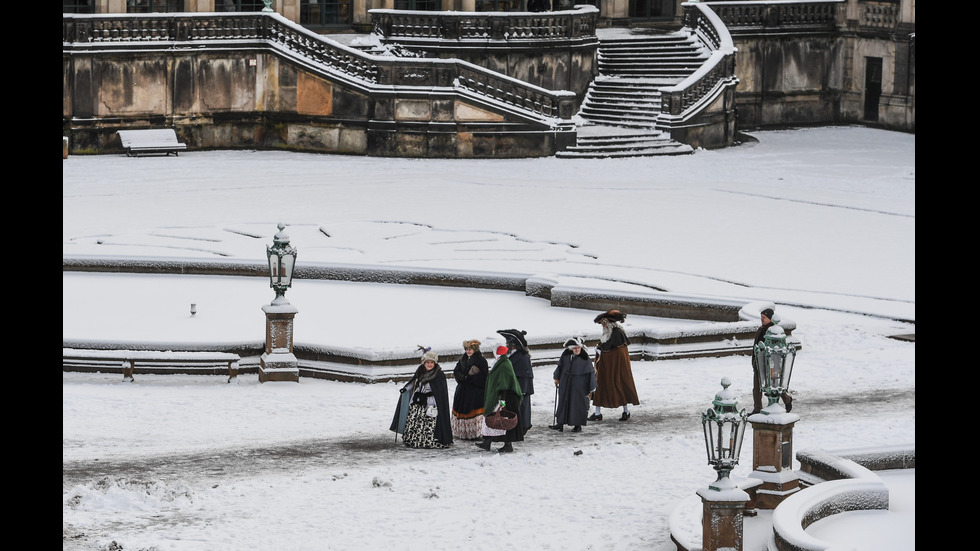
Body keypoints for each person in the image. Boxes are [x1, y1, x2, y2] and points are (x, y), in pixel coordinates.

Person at [390, 347, 453, 449]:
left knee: (428, 424)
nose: (429, 364)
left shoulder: (439, 375)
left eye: (431, 362)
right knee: (414, 421)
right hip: (418, 401)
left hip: (430, 403)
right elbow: (414, 382)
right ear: (424, 363)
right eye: (427, 362)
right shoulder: (420, 371)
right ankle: (413, 439)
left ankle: (427, 441)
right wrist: (405, 389)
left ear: (435, 363)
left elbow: (440, 393)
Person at [590, 309, 640, 421]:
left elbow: (615, 352)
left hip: (615, 369)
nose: (603, 325)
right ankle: (598, 413)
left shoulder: (617, 333)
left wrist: (601, 350)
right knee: (601, 385)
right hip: (606, 367)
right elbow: (608, 345)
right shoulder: (610, 332)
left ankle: (625, 411)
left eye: (604, 322)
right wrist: (600, 348)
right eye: (602, 323)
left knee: (620, 385)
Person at [475, 345, 524, 453]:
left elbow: (504, 384)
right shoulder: (500, 363)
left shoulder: (504, 365)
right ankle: (487, 442)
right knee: (493, 419)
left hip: (505, 397)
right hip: (500, 396)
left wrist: (502, 401)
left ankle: (507, 445)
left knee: (503, 420)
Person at [549, 336, 597, 432]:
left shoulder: (584, 357)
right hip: (565, 382)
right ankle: (560, 423)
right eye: (575, 348)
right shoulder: (566, 354)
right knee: (563, 403)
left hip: (579, 386)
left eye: (578, 348)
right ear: (571, 348)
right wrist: (556, 377)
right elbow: (560, 366)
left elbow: (590, 372)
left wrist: (592, 388)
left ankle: (577, 425)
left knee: (577, 405)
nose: (577, 350)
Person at [752, 307, 793, 414]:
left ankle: (786, 400)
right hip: (758, 363)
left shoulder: (773, 332)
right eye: (761, 317)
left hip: (770, 364)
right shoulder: (761, 329)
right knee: (757, 388)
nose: (762, 319)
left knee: (774, 386)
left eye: (764, 317)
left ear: (770, 318)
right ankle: (757, 409)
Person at [451, 339, 489, 440]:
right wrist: (462, 377)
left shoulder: (481, 360)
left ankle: (476, 433)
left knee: (474, 411)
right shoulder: (462, 359)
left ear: (475, 349)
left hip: (475, 392)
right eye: (467, 349)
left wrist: (470, 379)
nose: (468, 351)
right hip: (462, 391)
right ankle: (463, 433)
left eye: (470, 349)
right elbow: (456, 371)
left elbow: (484, 376)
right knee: (462, 409)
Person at [497, 329, 533, 435]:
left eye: (509, 343)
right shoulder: (511, 355)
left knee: (522, 409)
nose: (507, 345)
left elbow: (526, 375)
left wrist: (522, 390)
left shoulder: (522, 357)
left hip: (520, 388)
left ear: (514, 345)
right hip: (512, 387)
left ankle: (523, 427)